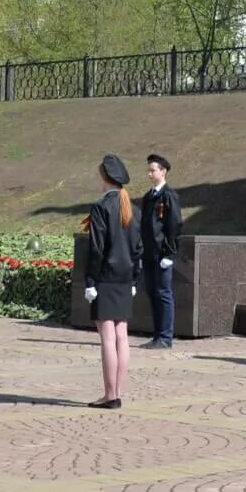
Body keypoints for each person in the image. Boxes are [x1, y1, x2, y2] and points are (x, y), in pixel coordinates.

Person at [84, 154, 141, 408]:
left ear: (105, 178)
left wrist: (89, 281)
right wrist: (133, 279)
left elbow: (96, 248)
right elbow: (138, 248)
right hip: (124, 277)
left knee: (108, 337)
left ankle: (110, 395)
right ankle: (117, 393)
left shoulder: (101, 207)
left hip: (105, 277)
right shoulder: (133, 208)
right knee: (122, 336)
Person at [138, 153, 181, 350]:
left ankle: (165, 336)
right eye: (149, 170)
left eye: (153, 170)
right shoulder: (149, 197)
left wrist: (169, 254)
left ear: (163, 171)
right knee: (153, 293)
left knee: (164, 293)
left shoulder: (168, 195)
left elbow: (174, 225)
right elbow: (144, 226)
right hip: (148, 253)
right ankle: (157, 335)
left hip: (162, 254)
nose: (149, 173)